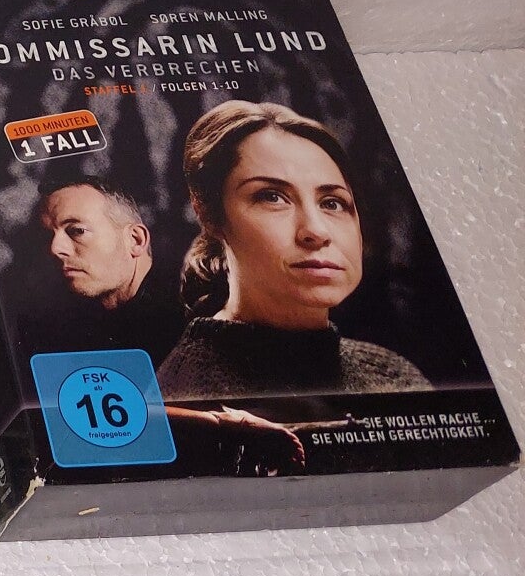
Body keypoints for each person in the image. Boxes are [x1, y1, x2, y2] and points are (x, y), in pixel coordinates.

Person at [156, 101, 426, 400]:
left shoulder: (392, 372)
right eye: (272, 197)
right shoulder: (190, 395)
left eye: (332, 203)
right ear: (209, 215)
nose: (316, 231)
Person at [33, 180, 184, 360]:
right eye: (48, 236)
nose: (55, 248)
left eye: (77, 231)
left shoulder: (194, 316)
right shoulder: (59, 323)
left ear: (135, 240)